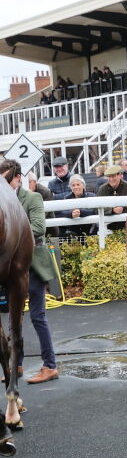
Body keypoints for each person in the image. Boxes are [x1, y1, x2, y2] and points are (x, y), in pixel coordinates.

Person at [0, 160, 58, 385]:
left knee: (37, 315)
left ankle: (50, 365)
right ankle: (18, 364)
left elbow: (39, 228)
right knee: (15, 318)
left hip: (33, 261)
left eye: (7, 179)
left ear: (18, 178)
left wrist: (15, 235)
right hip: (10, 264)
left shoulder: (32, 198)